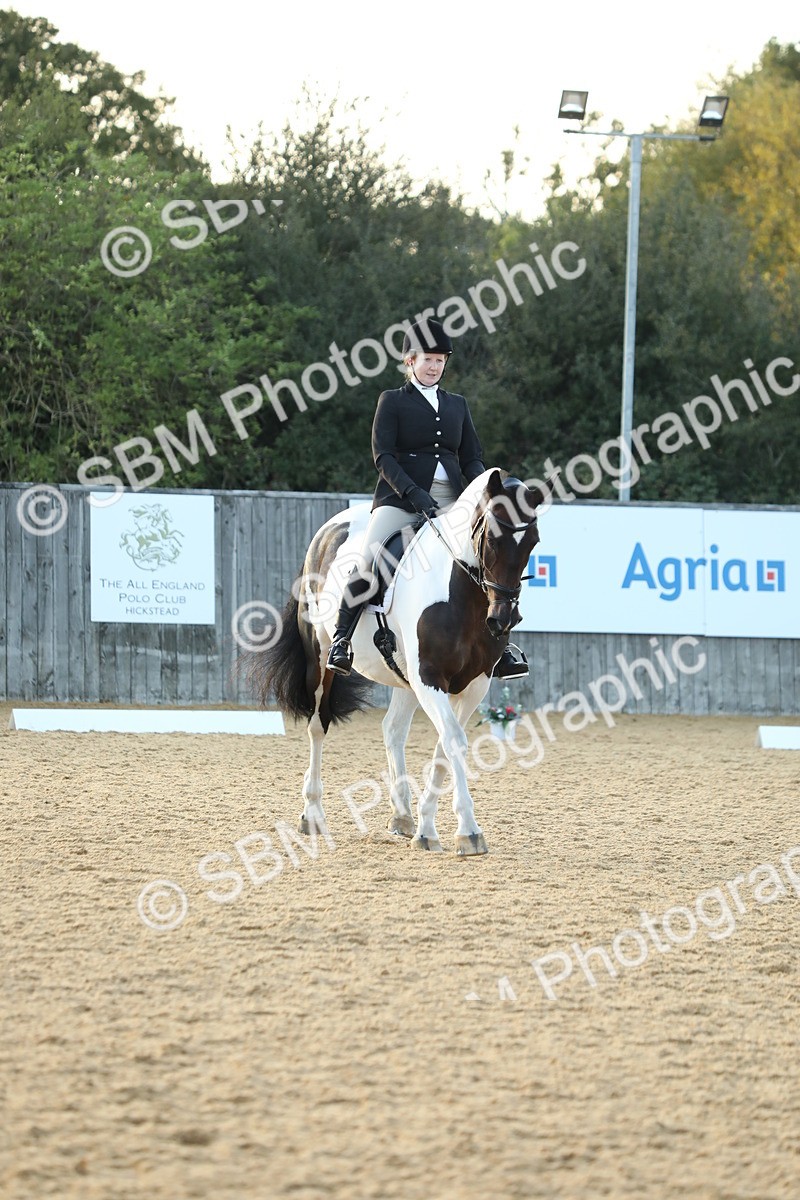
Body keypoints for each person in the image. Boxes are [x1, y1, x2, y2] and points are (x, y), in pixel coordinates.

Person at [326, 318, 528, 679]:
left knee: (489, 557)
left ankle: (502, 646)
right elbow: (383, 456)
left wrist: (484, 494)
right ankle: (342, 640)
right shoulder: (392, 402)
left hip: (452, 501)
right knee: (371, 557)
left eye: (439, 360)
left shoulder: (457, 405)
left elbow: (471, 459)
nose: (434, 366)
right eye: (427, 360)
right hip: (400, 500)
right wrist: (413, 493)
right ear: (410, 361)